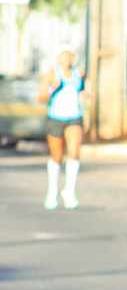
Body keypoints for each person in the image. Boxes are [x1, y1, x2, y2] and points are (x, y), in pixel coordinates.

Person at [37, 43, 88, 210]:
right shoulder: (52, 75)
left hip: (75, 116)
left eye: (69, 56)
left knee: (74, 154)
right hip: (56, 117)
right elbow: (41, 97)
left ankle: (69, 190)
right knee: (57, 157)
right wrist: (53, 87)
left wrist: (86, 100)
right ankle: (53, 191)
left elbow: (81, 91)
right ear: (58, 58)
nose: (66, 59)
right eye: (63, 56)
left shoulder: (79, 73)